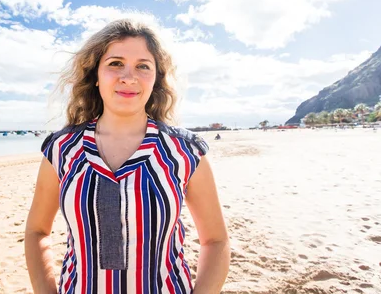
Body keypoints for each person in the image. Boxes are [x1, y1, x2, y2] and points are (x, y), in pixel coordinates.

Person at [25, 19, 230, 293]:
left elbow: (215, 240)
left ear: (156, 78)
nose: (129, 77)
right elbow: (37, 231)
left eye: (143, 66)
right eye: (115, 63)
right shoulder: (62, 149)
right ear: (95, 75)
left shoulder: (185, 151)